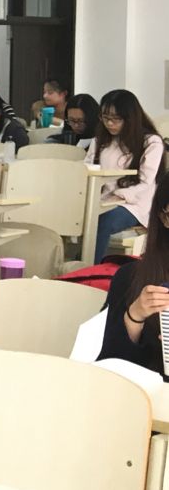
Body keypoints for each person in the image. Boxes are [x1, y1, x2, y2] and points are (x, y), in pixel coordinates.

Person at [99, 173, 169, 379]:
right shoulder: (131, 277)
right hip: (145, 393)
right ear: (164, 218)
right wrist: (135, 315)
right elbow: (106, 364)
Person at [87, 89, 165, 263]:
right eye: (105, 118)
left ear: (130, 118)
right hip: (101, 200)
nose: (109, 124)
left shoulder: (151, 142)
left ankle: (92, 267)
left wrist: (119, 196)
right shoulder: (100, 141)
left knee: (102, 221)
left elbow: (145, 182)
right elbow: (87, 167)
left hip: (135, 204)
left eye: (116, 119)